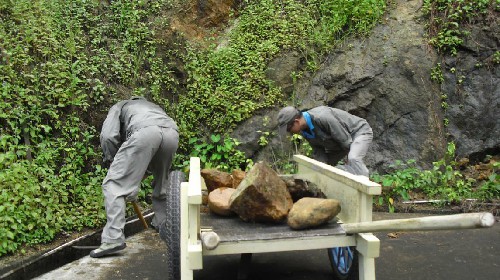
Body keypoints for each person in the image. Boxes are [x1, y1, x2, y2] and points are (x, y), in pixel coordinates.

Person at [90, 96, 179, 258]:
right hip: (172, 133)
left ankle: (112, 239)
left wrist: (112, 161)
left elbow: (108, 136)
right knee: (162, 185)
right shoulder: (152, 106)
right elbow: (147, 156)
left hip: (145, 133)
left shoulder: (120, 105)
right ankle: (166, 227)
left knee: (114, 185)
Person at [277, 106, 373, 177]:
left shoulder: (322, 117)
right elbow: (318, 151)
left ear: (296, 122)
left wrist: (348, 163)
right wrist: (319, 169)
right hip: (339, 144)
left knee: (353, 158)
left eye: (288, 129)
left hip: (358, 132)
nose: (289, 133)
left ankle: (366, 187)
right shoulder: (304, 130)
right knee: (320, 167)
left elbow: (346, 140)